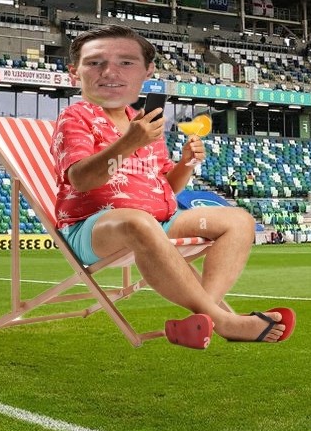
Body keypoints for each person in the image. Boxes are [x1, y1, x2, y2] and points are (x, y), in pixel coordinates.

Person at [51, 24, 295, 348]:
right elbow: (81, 179)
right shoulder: (77, 117)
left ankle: (201, 319)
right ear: (76, 72)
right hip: (95, 227)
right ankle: (226, 322)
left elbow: (167, 186)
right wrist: (127, 143)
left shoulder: (146, 122)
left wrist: (187, 164)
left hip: (159, 222)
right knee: (138, 220)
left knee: (239, 220)